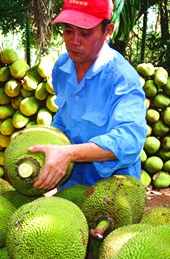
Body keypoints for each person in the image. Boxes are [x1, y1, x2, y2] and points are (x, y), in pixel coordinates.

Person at [29, 0, 147, 191]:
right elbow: (64, 118)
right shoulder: (61, 68)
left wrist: (69, 154)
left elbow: (130, 140)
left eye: (85, 33)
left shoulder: (122, 78)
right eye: (68, 31)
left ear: (108, 31)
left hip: (113, 192)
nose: (74, 41)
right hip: (70, 186)